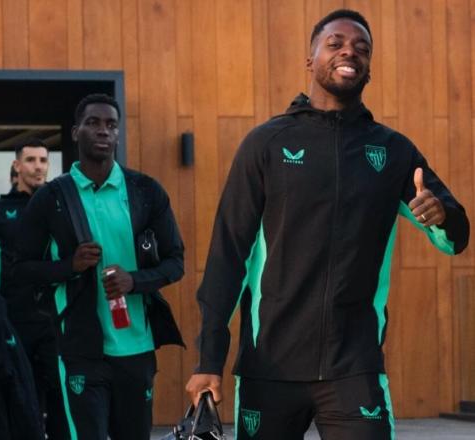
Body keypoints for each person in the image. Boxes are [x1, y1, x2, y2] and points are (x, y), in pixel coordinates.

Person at [186, 8, 470, 440]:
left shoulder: (392, 151)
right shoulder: (266, 143)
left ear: (369, 68)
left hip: (353, 365)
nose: (349, 52)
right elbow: (227, 256)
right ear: (310, 58)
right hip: (270, 365)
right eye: (335, 43)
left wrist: (441, 215)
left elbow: (457, 238)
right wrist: (209, 359)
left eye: (361, 47)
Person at [13, 93, 185, 440]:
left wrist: (133, 281)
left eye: (111, 125)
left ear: (118, 134)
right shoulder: (53, 197)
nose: (103, 131)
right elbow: (20, 269)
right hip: (80, 348)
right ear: (76, 132)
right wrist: (69, 266)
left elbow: (175, 262)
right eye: (93, 123)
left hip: (136, 347)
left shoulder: (145, 191)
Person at [0, 138, 65, 437]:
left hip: (55, 317)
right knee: (22, 396)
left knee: (62, 395)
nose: (38, 166)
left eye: (43, 160)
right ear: (17, 165)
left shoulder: (60, 205)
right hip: (14, 319)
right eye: (31, 160)